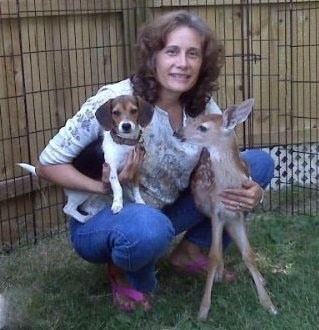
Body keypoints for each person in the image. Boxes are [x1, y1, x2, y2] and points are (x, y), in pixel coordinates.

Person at [36, 11, 274, 312]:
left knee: (258, 164)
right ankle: (122, 270)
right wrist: (103, 186)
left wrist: (251, 189)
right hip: (104, 217)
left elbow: (223, 163)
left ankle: (190, 252)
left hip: (165, 210)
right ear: (154, 57)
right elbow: (47, 165)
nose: (182, 63)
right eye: (171, 51)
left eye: (193, 54)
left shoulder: (201, 107)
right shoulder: (116, 100)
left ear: (203, 63)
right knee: (149, 226)